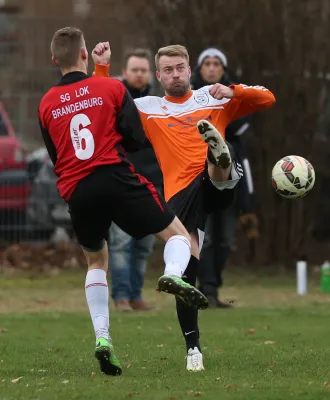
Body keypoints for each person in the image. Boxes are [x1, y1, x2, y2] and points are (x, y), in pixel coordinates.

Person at [94, 44, 275, 371]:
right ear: (158, 75)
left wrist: (232, 89)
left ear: (189, 69)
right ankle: (192, 346)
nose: (175, 74)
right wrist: (103, 70)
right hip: (181, 197)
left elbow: (267, 98)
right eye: (168, 69)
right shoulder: (146, 107)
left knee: (220, 163)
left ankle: (218, 153)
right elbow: (102, 110)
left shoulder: (213, 97)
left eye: (180, 67)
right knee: (187, 274)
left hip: (216, 185)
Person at [38, 28, 208, 377]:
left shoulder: (45, 104)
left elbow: (55, 155)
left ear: (55, 61)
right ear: (85, 55)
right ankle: (172, 275)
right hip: (115, 177)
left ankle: (103, 339)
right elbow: (132, 139)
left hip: (77, 189)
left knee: (96, 261)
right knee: (178, 235)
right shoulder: (112, 87)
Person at [191, 47, 258, 308]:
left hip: (231, 180)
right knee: (203, 238)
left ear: (223, 69)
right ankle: (205, 290)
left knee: (226, 239)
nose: (211, 67)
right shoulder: (191, 98)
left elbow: (239, 138)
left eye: (216, 63)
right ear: (199, 69)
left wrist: (249, 202)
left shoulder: (234, 99)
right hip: (200, 179)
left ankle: (213, 287)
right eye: (206, 63)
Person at [109, 49, 163, 312]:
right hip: (123, 180)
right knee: (120, 243)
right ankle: (120, 297)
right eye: (135, 70)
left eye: (143, 70)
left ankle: (136, 295)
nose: (139, 74)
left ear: (150, 74)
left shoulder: (159, 102)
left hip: (154, 181)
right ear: (125, 72)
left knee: (143, 245)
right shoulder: (113, 99)